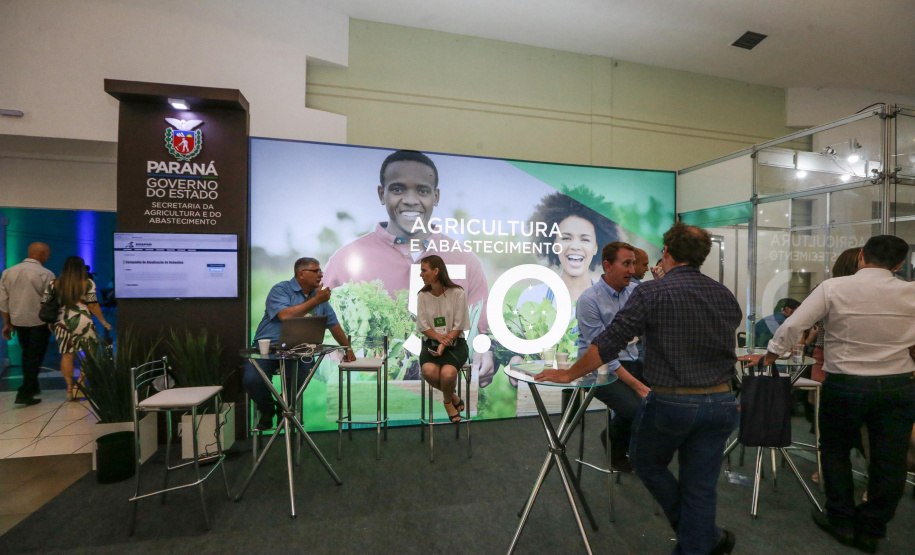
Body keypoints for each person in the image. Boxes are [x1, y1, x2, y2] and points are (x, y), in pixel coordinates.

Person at [535, 222, 742, 555]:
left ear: (667, 252)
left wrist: (569, 374)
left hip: (674, 403)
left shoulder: (651, 292)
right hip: (722, 403)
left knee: (645, 462)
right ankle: (700, 541)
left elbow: (607, 344)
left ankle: (697, 538)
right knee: (701, 487)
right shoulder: (723, 294)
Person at [757, 235, 915, 553]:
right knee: (890, 460)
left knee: (834, 451)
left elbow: (793, 325)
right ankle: (872, 528)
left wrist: (771, 355)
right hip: (898, 385)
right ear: (899, 264)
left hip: (846, 384)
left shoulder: (834, 288)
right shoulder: (911, 292)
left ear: (860, 256)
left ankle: (840, 520)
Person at [322, 150, 494, 383]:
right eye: (398, 189)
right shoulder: (345, 260)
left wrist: (485, 353)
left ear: (436, 196)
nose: (411, 199)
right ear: (382, 194)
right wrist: (330, 358)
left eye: (422, 190)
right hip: (369, 405)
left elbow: (481, 334)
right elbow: (316, 339)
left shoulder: (465, 260)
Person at [244, 257, 355, 430]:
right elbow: (285, 316)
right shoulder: (281, 289)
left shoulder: (319, 297)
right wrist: (316, 301)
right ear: (301, 274)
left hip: (299, 352)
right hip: (268, 349)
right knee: (252, 380)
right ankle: (267, 409)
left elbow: (333, 325)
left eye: (321, 271)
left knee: (299, 379)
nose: (321, 274)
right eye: (316, 271)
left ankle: (285, 407)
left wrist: (348, 348)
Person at [575, 241, 647, 471]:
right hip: (598, 370)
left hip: (633, 361)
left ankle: (636, 449)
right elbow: (604, 354)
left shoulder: (636, 293)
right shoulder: (589, 300)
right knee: (637, 409)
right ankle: (615, 443)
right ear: (607, 265)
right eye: (626, 264)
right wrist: (638, 386)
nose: (633, 271)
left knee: (665, 401)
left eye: (634, 264)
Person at [516, 188, 623, 307]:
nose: (575, 246)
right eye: (566, 238)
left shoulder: (613, 305)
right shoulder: (531, 299)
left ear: (596, 248)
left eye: (585, 239)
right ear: (554, 244)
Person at [45, 256, 111, 401]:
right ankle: (79, 385)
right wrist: (103, 321)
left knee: (66, 354)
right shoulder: (87, 283)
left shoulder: (53, 284)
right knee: (90, 354)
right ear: (81, 268)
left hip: (61, 322)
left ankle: (69, 388)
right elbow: (92, 305)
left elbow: (44, 304)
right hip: (83, 321)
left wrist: (50, 322)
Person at [416, 255, 471, 422]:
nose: (421, 275)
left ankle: (447, 402)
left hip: (456, 343)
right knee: (429, 371)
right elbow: (423, 326)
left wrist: (445, 342)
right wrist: (440, 340)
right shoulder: (422, 296)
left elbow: (459, 325)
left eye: (424, 271)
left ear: (436, 271)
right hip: (431, 342)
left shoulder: (457, 292)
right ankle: (453, 397)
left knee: (448, 374)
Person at [0, 242, 54, 406]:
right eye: (48, 254)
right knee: (35, 356)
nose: (48, 257)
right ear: (42, 254)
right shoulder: (47, 274)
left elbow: (3, 300)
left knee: (26, 354)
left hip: (18, 320)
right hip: (39, 321)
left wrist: (6, 323)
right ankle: (25, 392)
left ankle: (33, 385)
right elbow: (50, 301)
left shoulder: (8, 272)